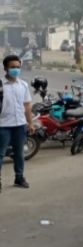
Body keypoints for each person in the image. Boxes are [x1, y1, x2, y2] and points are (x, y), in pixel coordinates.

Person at [0, 55, 35, 192]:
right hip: (3, 125)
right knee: (1, 154)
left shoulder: (23, 85)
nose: (15, 70)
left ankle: (19, 177)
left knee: (19, 153)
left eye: (18, 67)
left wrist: (30, 123)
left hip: (20, 125)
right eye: (12, 67)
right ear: (5, 68)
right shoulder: (1, 85)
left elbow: (27, 106)